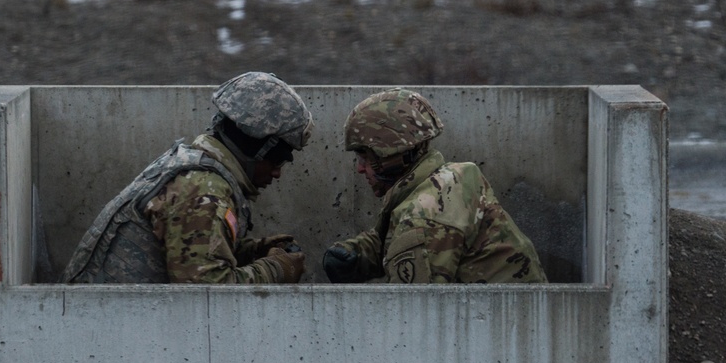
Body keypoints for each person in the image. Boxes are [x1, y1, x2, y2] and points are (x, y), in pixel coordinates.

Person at [62, 72, 312, 284]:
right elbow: (208, 297)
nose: (277, 173)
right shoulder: (202, 192)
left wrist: (254, 252)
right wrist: (276, 270)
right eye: (277, 159)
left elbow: (189, 256)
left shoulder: (193, 168)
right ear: (257, 148)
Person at [322, 88, 548, 285]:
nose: (360, 169)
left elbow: (411, 311)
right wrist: (357, 254)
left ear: (389, 156)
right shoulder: (446, 179)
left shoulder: (424, 216)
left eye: (365, 157)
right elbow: (395, 239)